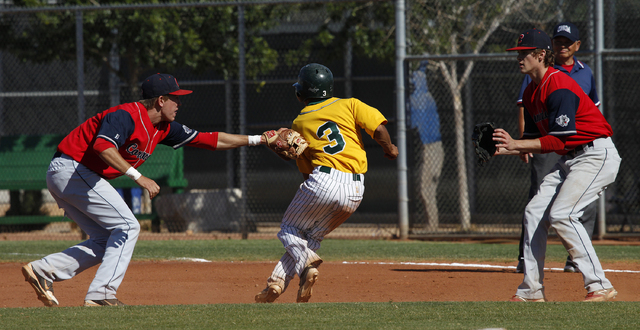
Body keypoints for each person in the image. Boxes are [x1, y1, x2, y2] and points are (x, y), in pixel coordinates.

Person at [22, 73, 271, 307]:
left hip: (74, 174)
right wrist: (138, 177)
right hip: (72, 169)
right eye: (176, 98)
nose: (179, 104)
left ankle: (43, 271)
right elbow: (102, 146)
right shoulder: (125, 115)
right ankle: (101, 295)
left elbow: (210, 139)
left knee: (106, 239)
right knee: (128, 226)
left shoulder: (163, 128)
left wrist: (260, 139)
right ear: (160, 101)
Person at [254, 63, 398, 303]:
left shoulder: (299, 123)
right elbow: (379, 128)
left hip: (324, 179)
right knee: (311, 238)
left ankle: (306, 268)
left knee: (289, 229)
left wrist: (311, 194)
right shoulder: (349, 104)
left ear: (301, 92)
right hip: (356, 189)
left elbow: (306, 170)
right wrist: (390, 148)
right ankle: (276, 283)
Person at [495, 29, 621, 302]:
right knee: (534, 212)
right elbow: (532, 139)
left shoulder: (558, 84)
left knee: (562, 214)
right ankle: (532, 290)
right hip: (571, 159)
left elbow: (556, 140)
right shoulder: (530, 91)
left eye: (524, 53)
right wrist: (504, 148)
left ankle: (599, 284)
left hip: (596, 154)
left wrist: (515, 144)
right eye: (518, 53)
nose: (519, 58)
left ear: (541, 55)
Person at [515, 22, 600, 274]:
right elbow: (527, 109)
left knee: (570, 209)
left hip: (584, 148)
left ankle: (581, 265)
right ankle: (528, 268)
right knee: (536, 203)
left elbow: (592, 111)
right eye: (558, 40)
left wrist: (517, 143)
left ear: (576, 46)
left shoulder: (576, 74)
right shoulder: (535, 79)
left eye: (566, 41)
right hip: (550, 142)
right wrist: (515, 144)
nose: (561, 45)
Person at [409, 61, 443, 229]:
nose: (414, 83)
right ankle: (431, 224)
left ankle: (432, 226)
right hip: (428, 148)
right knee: (427, 190)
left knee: (426, 189)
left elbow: (413, 124)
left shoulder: (421, 98)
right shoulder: (421, 97)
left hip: (433, 147)